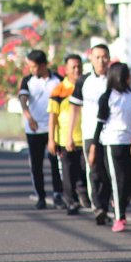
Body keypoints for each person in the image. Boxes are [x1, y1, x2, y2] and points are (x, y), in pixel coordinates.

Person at [89, 62, 131, 232]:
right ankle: (119, 217)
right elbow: (99, 125)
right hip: (112, 142)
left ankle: (118, 202)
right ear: (120, 76)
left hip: (130, 142)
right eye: (127, 75)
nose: (130, 78)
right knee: (118, 181)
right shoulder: (107, 97)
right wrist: (94, 147)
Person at [68, 43, 111, 221]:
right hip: (89, 133)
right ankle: (98, 207)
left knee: (108, 173)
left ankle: (106, 204)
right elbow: (74, 109)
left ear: (109, 58)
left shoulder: (114, 78)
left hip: (111, 134)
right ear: (91, 59)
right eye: (97, 57)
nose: (101, 61)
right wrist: (69, 135)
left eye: (104, 57)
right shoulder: (83, 81)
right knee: (94, 171)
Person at [18, 49, 63, 209]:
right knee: (36, 165)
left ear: (43, 65)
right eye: (29, 66)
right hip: (34, 129)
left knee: (56, 164)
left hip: (54, 130)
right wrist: (29, 117)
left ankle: (58, 195)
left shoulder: (58, 80)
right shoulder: (28, 80)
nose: (31, 70)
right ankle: (41, 196)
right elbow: (23, 99)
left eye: (34, 66)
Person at [47, 54, 85, 215]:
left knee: (85, 171)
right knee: (68, 174)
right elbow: (53, 117)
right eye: (73, 67)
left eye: (79, 67)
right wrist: (51, 140)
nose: (77, 70)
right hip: (65, 139)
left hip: (86, 138)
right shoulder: (59, 90)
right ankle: (71, 202)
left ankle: (86, 196)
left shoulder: (87, 85)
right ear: (66, 70)